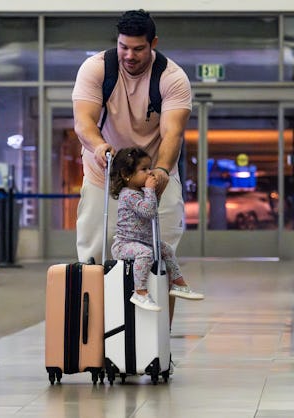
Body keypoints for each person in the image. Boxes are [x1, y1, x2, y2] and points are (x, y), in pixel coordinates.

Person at [72, 10, 192, 321]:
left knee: (161, 256)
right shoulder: (97, 68)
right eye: (124, 46)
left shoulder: (172, 77)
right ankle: (96, 340)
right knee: (93, 257)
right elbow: (83, 122)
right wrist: (99, 147)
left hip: (155, 175)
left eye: (138, 48)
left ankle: (158, 349)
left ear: (153, 44)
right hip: (105, 175)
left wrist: (162, 171)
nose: (129, 55)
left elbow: (173, 133)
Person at [110, 147, 204, 311]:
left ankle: (178, 282)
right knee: (145, 254)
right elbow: (148, 211)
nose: (149, 173)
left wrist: (152, 194)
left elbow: (152, 208)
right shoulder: (129, 195)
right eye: (143, 169)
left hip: (142, 242)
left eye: (149, 167)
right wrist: (150, 190)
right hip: (125, 245)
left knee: (166, 249)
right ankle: (140, 291)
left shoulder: (139, 193)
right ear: (126, 174)